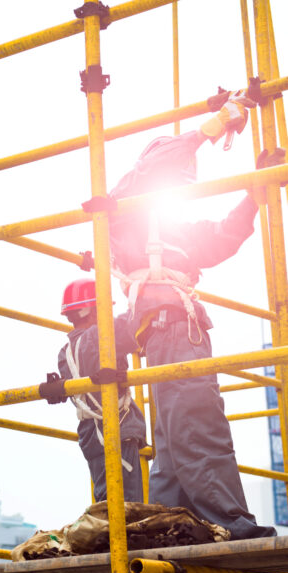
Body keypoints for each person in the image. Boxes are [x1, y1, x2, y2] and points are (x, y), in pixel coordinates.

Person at [107, 92, 277, 539]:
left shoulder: (170, 231)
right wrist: (214, 126)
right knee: (197, 419)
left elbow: (222, 238)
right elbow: (154, 164)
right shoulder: (126, 208)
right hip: (170, 325)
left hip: (171, 327)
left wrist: (255, 192)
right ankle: (231, 522)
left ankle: (172, 524)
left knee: (173, 435)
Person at [57, 278, 147, 503]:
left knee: (107, 502)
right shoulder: (101, 335)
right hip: (116, 429)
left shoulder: (64, 353)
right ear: (90, 310)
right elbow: (133, 323)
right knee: (126, 506)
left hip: (90, 433)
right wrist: (143, 289)